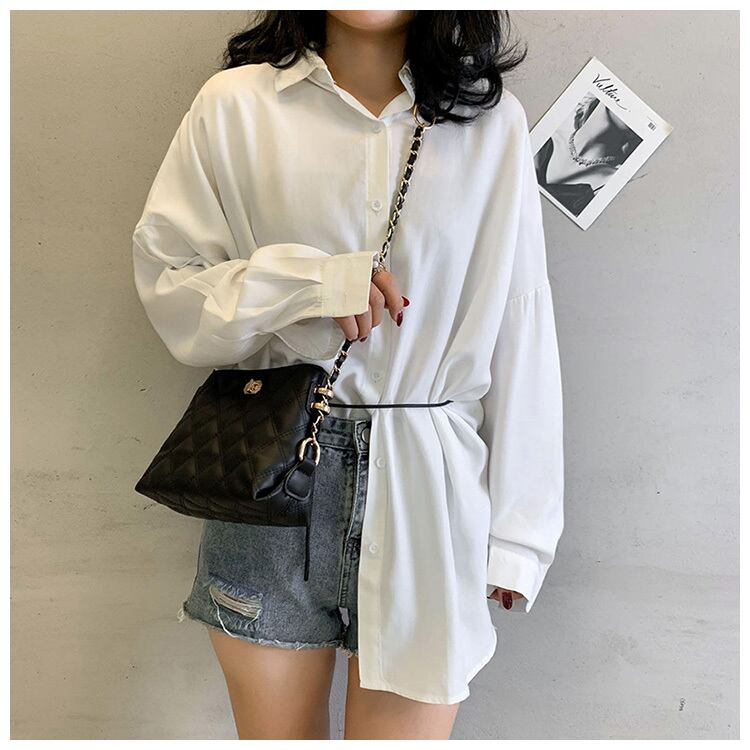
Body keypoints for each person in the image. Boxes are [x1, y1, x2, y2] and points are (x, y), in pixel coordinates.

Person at [132, 10, 564, 740]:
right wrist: (313, 285)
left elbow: (521, 318)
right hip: (268, 478)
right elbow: (170, 285)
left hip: (427, 486)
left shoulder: (492, 124)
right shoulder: (235, 105)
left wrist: (521, 532)